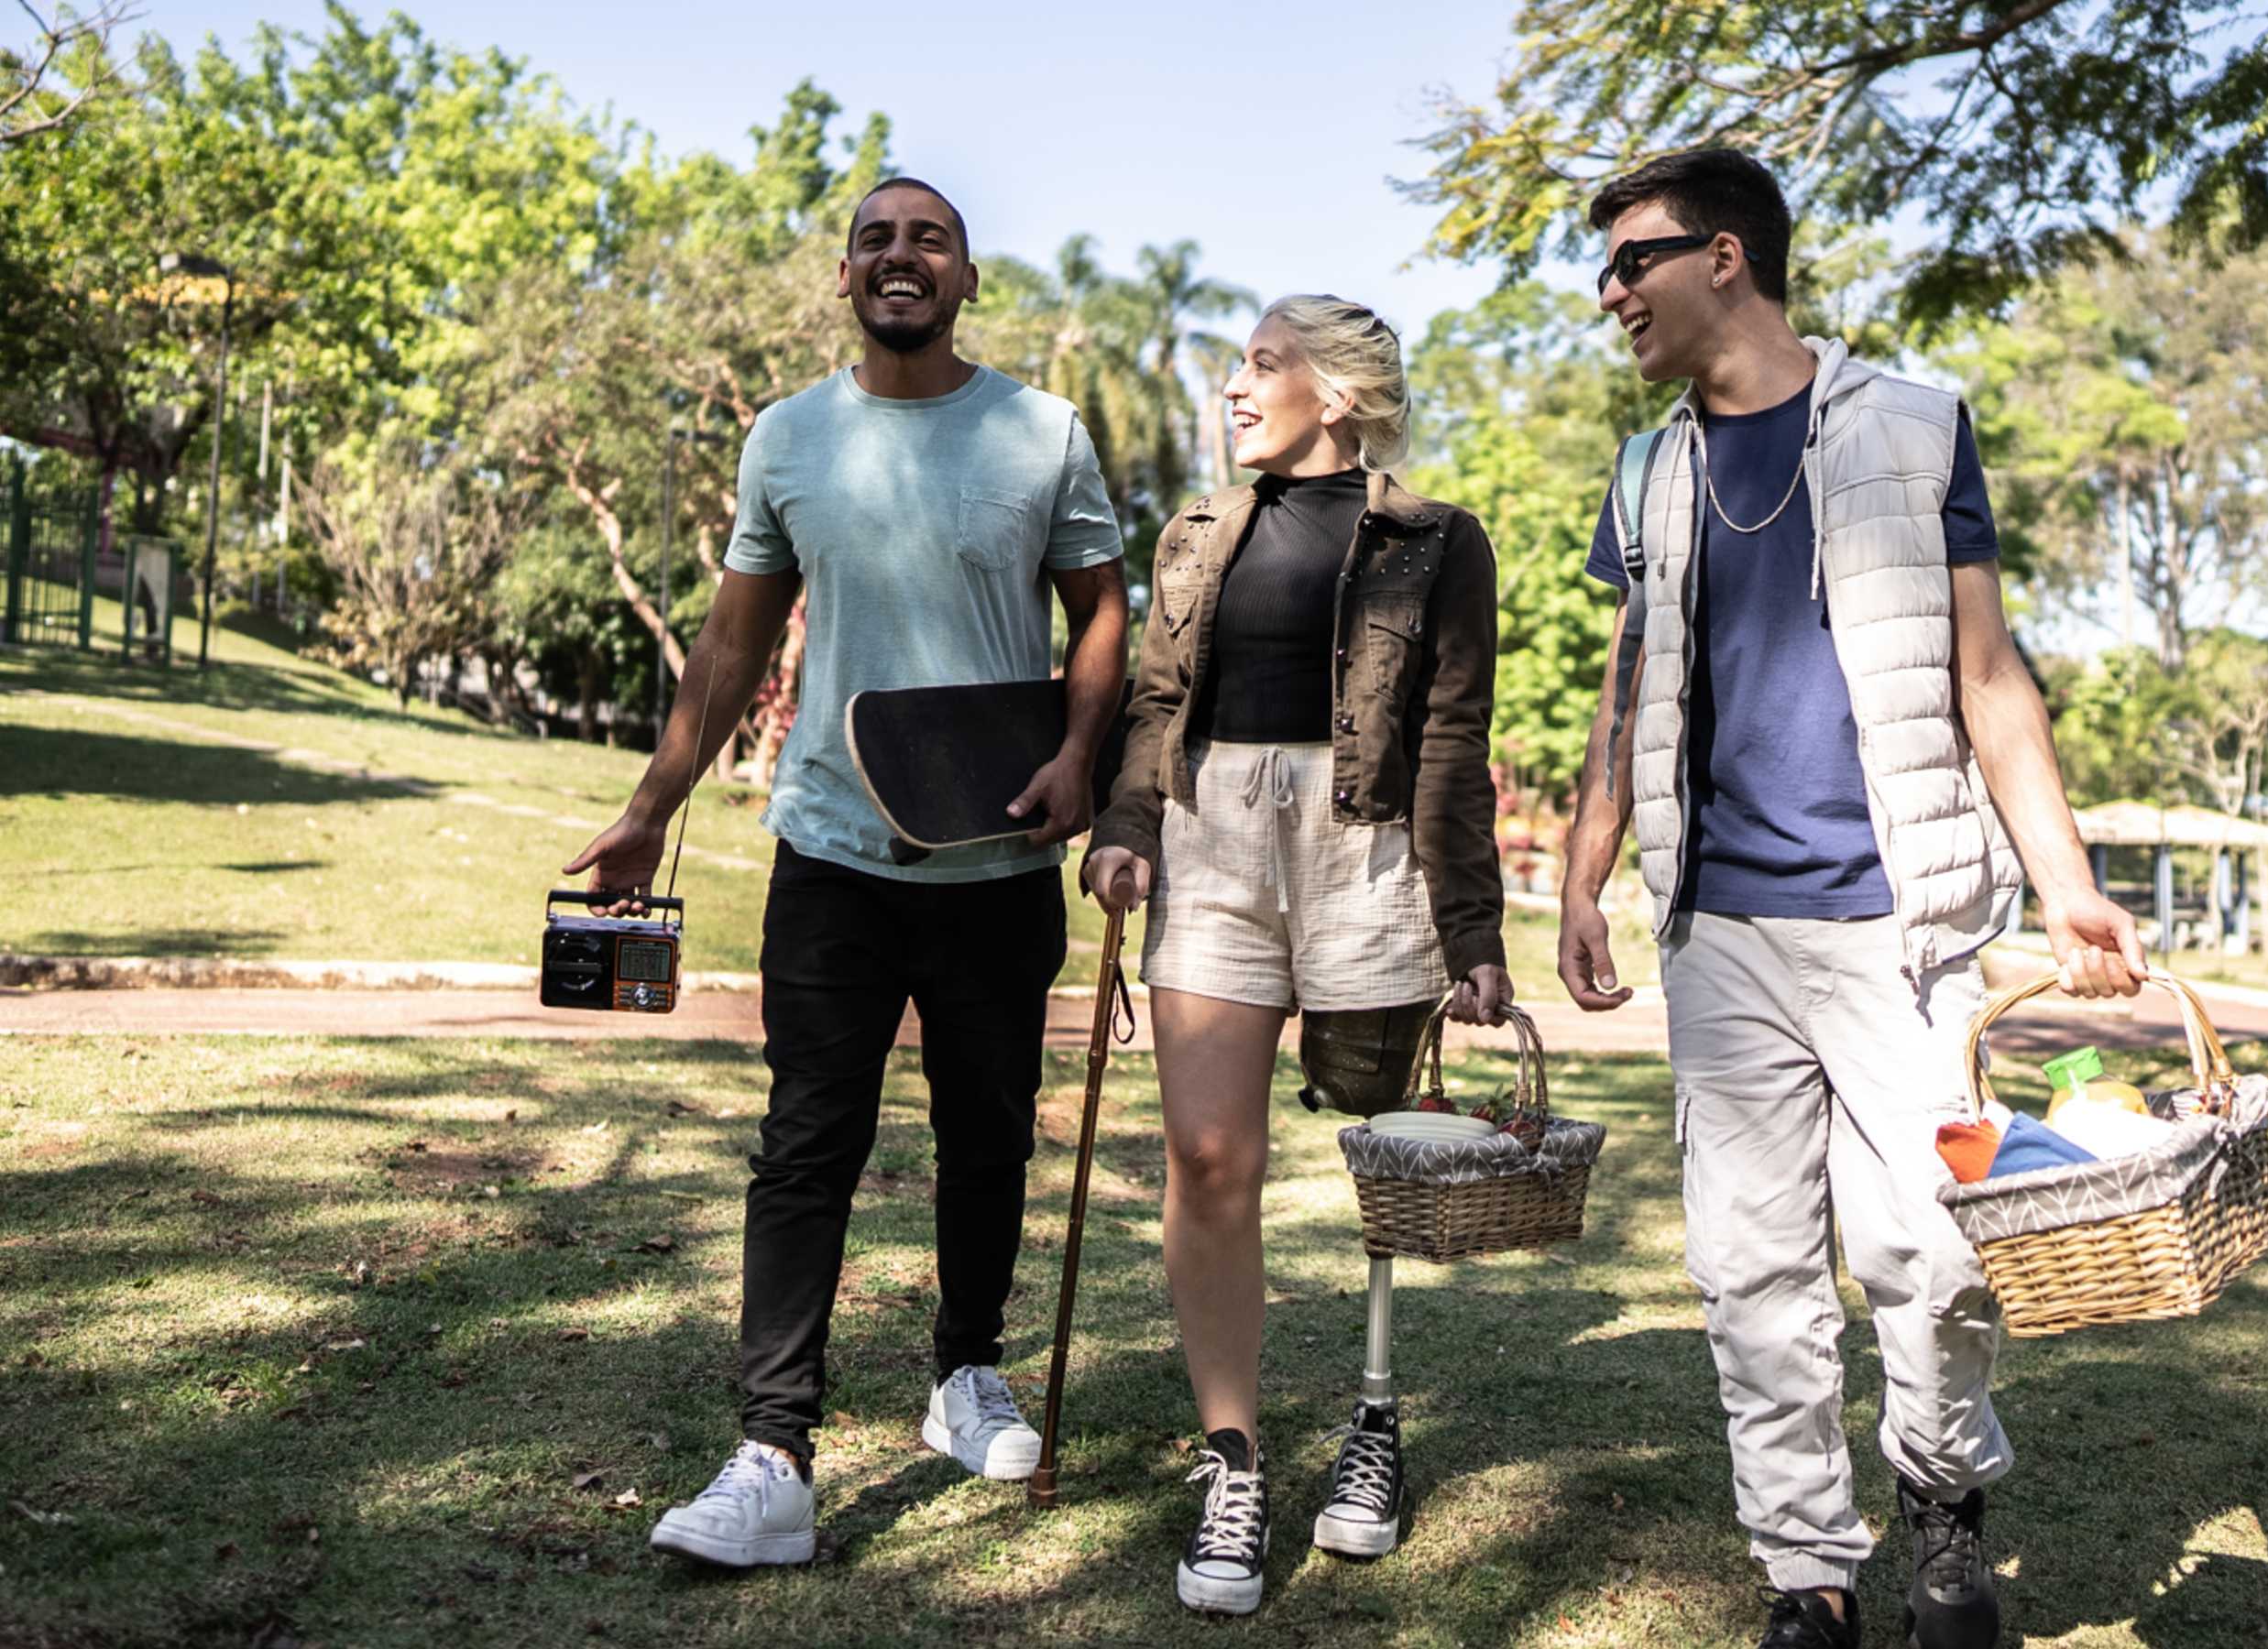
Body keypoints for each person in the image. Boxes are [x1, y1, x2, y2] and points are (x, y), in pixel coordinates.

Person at [1552, 147, 2150, 1649]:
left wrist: (2068, 886)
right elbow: (1629, 692)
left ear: (1727, 259)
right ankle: (1807, 1577)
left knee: (1933, 1253)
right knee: (1750, 1268)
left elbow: (1988, 673)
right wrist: (1584, 873)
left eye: (1633, 261)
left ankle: (1944, 1506)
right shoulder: (1643, 470)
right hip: (1720, 925)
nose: (1610, 293)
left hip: (1905, 917)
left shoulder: (1916, 424)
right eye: (1608, 269)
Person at [565, 176, 1129, 1568]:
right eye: (876, 239)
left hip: (995, 856)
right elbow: (731, 645)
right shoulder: (791, 437)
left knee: (987, 1137)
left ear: (966, 276)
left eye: (926, 238)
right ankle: (773, 1456)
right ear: (843, 277)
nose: (899, 258)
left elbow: (1106, 607)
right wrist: (651, 806)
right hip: (830, 853)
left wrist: (1078, 755)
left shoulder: (1042, 432)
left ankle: (964, 1374)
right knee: (806, 1145)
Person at [1084, 294, 1513, 1616]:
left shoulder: (1438, 541)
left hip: (1366, 855)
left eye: (1263, 364)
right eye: (1240, 365)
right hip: (1213, 842)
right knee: (1211, 1157)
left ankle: (1374, 1417)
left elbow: (1451, 737)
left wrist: (1474, 932)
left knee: (1383, 1148)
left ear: (1337, 393)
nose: (1236, 385)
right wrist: (1125, 824)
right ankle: (1234, 1462)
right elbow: (1158, 698)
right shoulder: (1200, 530)